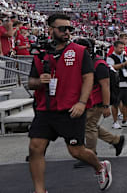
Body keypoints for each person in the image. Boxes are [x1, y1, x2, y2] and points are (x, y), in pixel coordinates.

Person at [27, 13, 112, 192]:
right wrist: (39, 81)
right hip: (45, 109)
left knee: (76, 151)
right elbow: (31, 82)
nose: (67, 32)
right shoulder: (40, 54)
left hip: (71, 109)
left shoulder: (79, 51)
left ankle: (100, 166)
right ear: (50, 30)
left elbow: (88, 78)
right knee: (35, 148)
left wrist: (82, 102)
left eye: (69, 28)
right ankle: (39, 190)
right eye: (62, 28)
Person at [74, 37, 124, 169]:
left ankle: (90, 155)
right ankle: (116, 140)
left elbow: (105, 86)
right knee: (90, 125)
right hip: (89, 100)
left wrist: (106, 106)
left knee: (89, 127)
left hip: (96, 101)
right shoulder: (89, 61)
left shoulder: (98, 64)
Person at [106, 40, 127, 129]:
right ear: (115, 47)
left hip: (126, 82)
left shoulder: (125, 57)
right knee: (115, 103)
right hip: (116, 83)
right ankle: (115, 122)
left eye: (123, 48)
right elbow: (111, 67)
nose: (122, 49)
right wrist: (123, 64)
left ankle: (125, 120)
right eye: (120, 48)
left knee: (126, 103)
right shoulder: (110, 57)